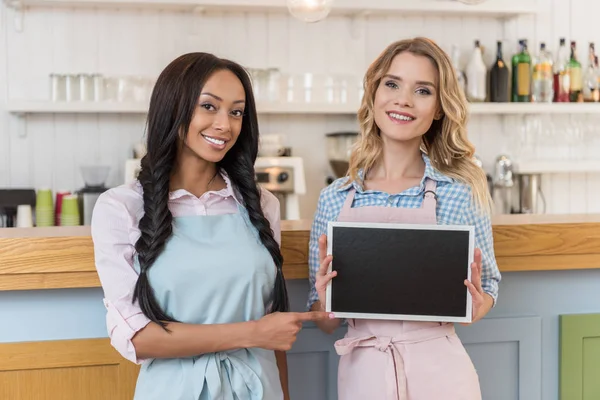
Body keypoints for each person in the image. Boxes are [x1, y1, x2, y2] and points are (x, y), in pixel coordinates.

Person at [91, 52, 329, 400]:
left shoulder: (262, 205)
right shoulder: (121, 208)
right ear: (173, 108)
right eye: (209, 106)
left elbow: (272, 329)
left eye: (236, 112)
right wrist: (251, 333)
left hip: (260, 389)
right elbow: (138, 337)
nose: (225, 125)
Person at [307, 37, 502, 400]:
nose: (403, 100)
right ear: (374, 93)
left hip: (442, 377)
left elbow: (487, 287)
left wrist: (476, 305)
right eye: (392, 84)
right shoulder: (333, 198)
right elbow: (325, 322)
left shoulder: (459, 192)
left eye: (423, 90)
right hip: (363, 375)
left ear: (440, 108)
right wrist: (323, 300)